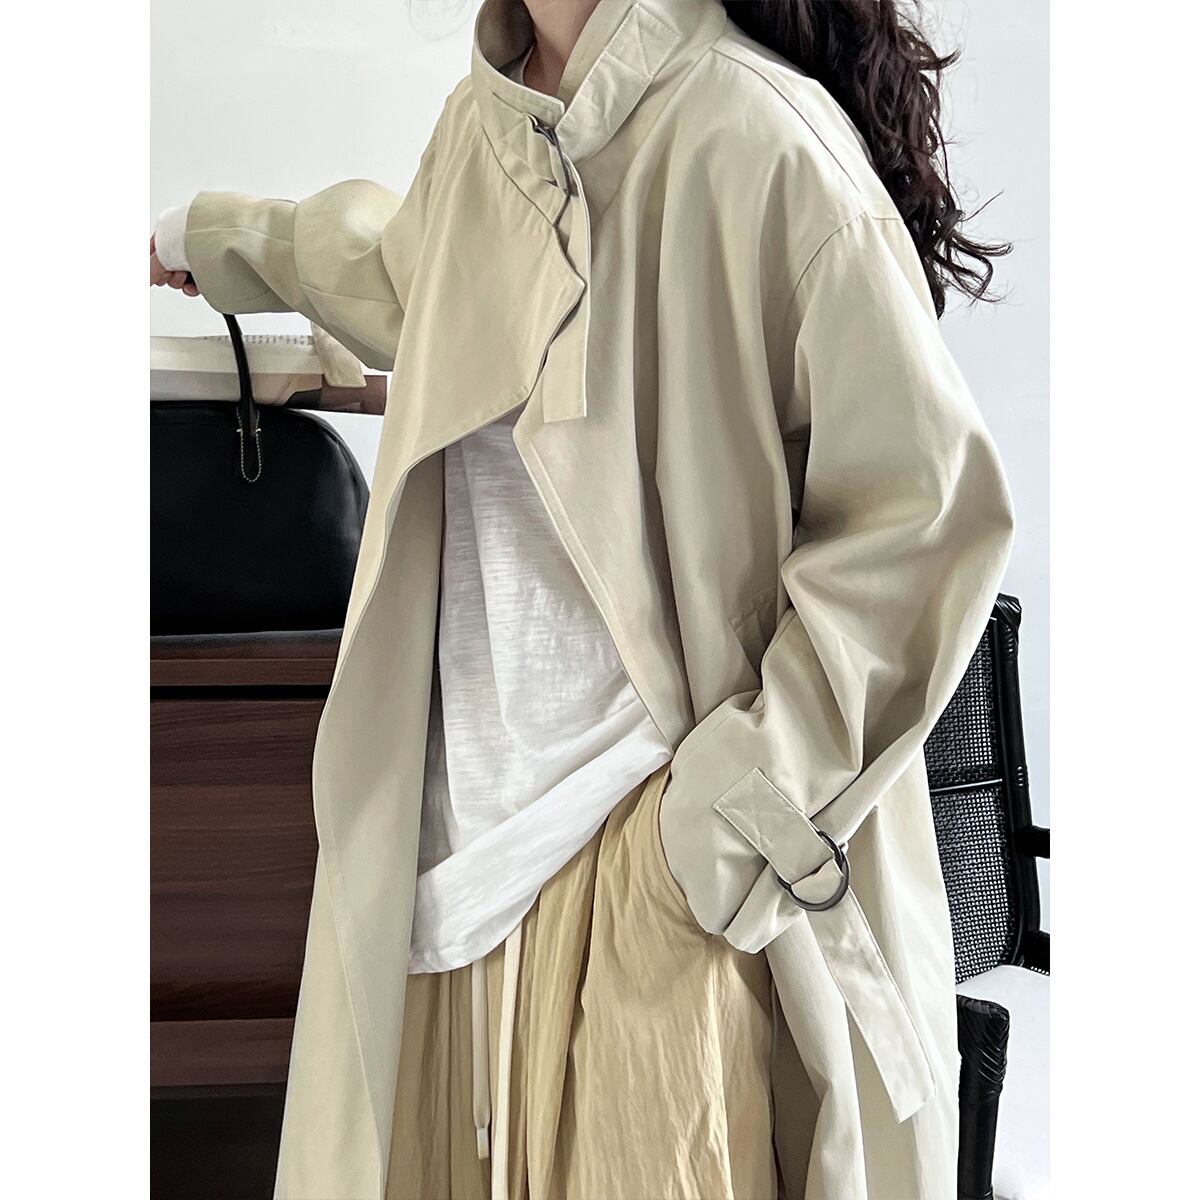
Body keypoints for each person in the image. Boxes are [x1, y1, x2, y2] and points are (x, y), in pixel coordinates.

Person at [150, 2, 1015, 1197]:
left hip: (650, 887)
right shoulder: (484, 133)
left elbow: (925, 515)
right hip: (450, 895)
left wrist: (717, 829)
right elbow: (410, 277)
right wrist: (222, 238)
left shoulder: (760, 135)